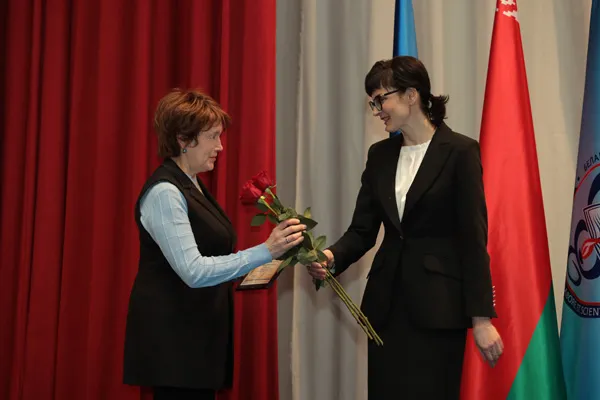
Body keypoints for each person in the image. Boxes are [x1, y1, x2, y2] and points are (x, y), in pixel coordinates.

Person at [307, 56, 503, 399]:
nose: (376, 110)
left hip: (439, 310)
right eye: (372, 102)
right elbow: (362, 231)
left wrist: (481, 318)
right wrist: (330, 257)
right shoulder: (379, 155)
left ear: (412, 95)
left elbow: (473, 238)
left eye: (380, 99)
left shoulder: (460, 151)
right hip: (386, 310)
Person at [123, 88, 305, 400]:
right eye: (212, 137)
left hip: (195, 339)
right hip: (174, 346)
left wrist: (268, 261)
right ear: (183, 139)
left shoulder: (191, 184)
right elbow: (194, 271)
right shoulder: (165, 192)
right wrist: (265, 251)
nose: (220, 146)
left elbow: (214, 256)